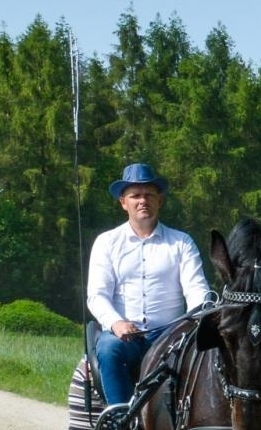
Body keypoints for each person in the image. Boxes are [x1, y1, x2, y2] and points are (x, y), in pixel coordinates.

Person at [86, 162, 214, 406]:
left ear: (160, 201)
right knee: (108, 349)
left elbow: (197, 289)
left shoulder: (182, 243)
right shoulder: (106, 243)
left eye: (149, 195)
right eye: (135, 196)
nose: (142, 201)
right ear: (123, 202)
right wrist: (116, 323)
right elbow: (97, 295)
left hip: (172, 336)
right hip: (124, 339)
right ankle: (121, 423)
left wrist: (193, 321)